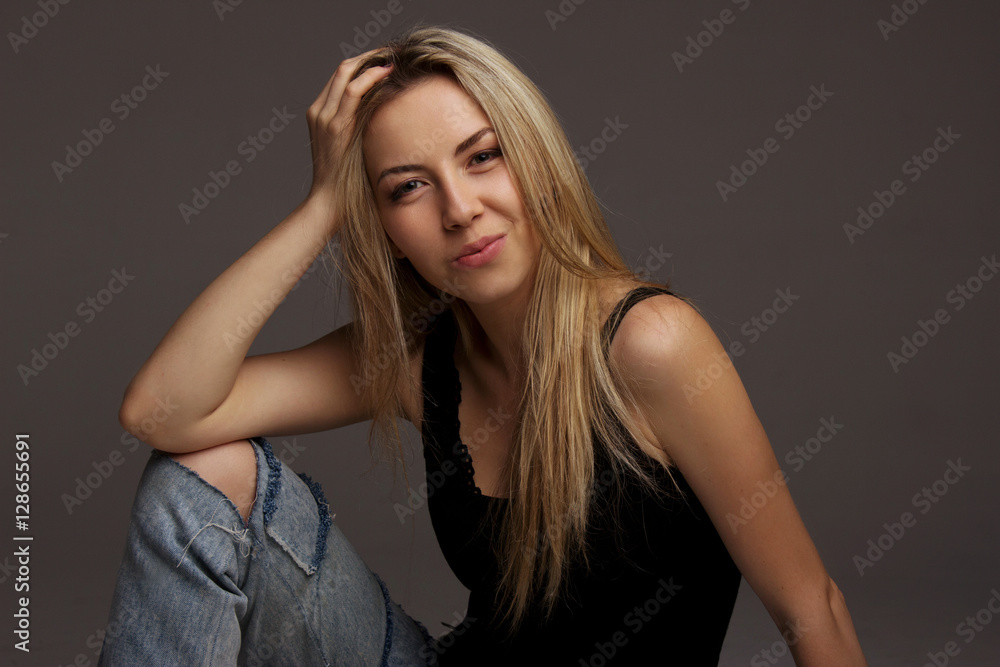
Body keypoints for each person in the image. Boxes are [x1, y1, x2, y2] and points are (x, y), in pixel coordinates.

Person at [98, 24, 867, 666]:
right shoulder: (415, 362)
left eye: (482, 155)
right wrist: (321, 208)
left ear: (534, 159)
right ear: (387, 229)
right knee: (197, 477)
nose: (460, 209)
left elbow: (811, 604)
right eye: (407, 187)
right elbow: (163, 412)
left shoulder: (651, 346)